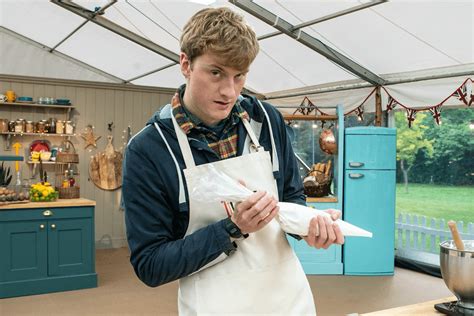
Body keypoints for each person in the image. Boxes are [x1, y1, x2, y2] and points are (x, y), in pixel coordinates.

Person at [123, 7, 344, 315]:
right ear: (185, 64)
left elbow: (291, 199)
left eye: (239, 76)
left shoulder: (267, 120)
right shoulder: (149, 150)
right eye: (216, 73)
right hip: (214, 305)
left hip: (287, 301)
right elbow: (151, 265)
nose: (229, 91)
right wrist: (233, 227)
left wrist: (308, 226)